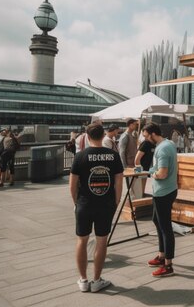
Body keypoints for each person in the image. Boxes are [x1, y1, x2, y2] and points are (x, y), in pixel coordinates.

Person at [70, 123, 123, 293]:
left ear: (88, 136)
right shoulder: (113, 156)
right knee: (101, 241)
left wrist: (76, 203)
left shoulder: (80, 157)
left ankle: (84, 280)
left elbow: (72, 185)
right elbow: (118, 183)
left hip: (84, 204)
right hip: (105, 204)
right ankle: (97, 280)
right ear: (103, 135)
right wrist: (115, 202)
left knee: (82, 240)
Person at [145, 123, 178, 277]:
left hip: (163, 192)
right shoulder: (168, 143)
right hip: (167, 190)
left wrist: (154, 174)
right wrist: (153, 170)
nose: (146, 139)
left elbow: (163, 173)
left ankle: (168, 265)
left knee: (165, 227)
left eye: (146, 136)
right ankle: (161, 255)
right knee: (157, 221)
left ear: (152, 134)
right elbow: (160, 167)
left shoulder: (163, 149)